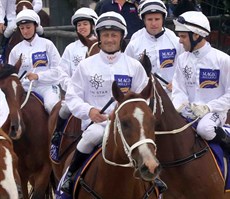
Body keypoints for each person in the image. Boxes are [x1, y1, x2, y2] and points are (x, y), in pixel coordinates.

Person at [61, 11, 167, 195]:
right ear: (99, 37)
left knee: (146, 141)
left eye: (114, 35)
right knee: (89, 138)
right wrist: (89, 110)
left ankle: (153, 177)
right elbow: (71, 96)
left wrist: (129, 114)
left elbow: (144, 98)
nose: (110, 39)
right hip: (98, 124)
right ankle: (69, 177)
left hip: (128, 125)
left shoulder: (134, 66)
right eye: (105, 35)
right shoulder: (85, 66)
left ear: (121, 37)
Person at [172, 11, 230, 152]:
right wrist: (180, 106)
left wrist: (208, 108)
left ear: (196, 35)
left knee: (205, 130)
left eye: (183, 36)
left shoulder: (223, 60)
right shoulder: (181, 59)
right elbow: (178, 89)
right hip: (189, 112)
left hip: (214, 113)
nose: (180, 41)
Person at [51, 7, 98, 147]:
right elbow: (61, 71)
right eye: (79, 25)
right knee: (64, 109)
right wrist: (70, 85)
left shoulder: (102, 45)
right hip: (76, 92)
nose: (82, 27)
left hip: (98, 93)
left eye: (85, 24)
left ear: (93, 25)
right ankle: (58, 133)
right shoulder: (71, 48)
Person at [125, 0, 183, 96]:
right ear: (143, 20)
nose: (153, 23)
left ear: (163, 19)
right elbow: (127, 70)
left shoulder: (176, 41)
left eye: (157, 19)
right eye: (149, 19)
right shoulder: (134, 44)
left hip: (171, 95)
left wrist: (177, 83)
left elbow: (184, 66)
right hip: (145, 97)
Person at [8, 9, 61, 114]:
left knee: (51, 105)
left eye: (28, 27)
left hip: (47, 87)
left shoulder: (47, 45)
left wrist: (38, 76)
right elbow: (12, 76)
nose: (25, 31)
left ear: (36, 26)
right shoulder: (15, 50)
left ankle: (57, 130)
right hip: (24, 89)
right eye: (22, 28)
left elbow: (59, 71)